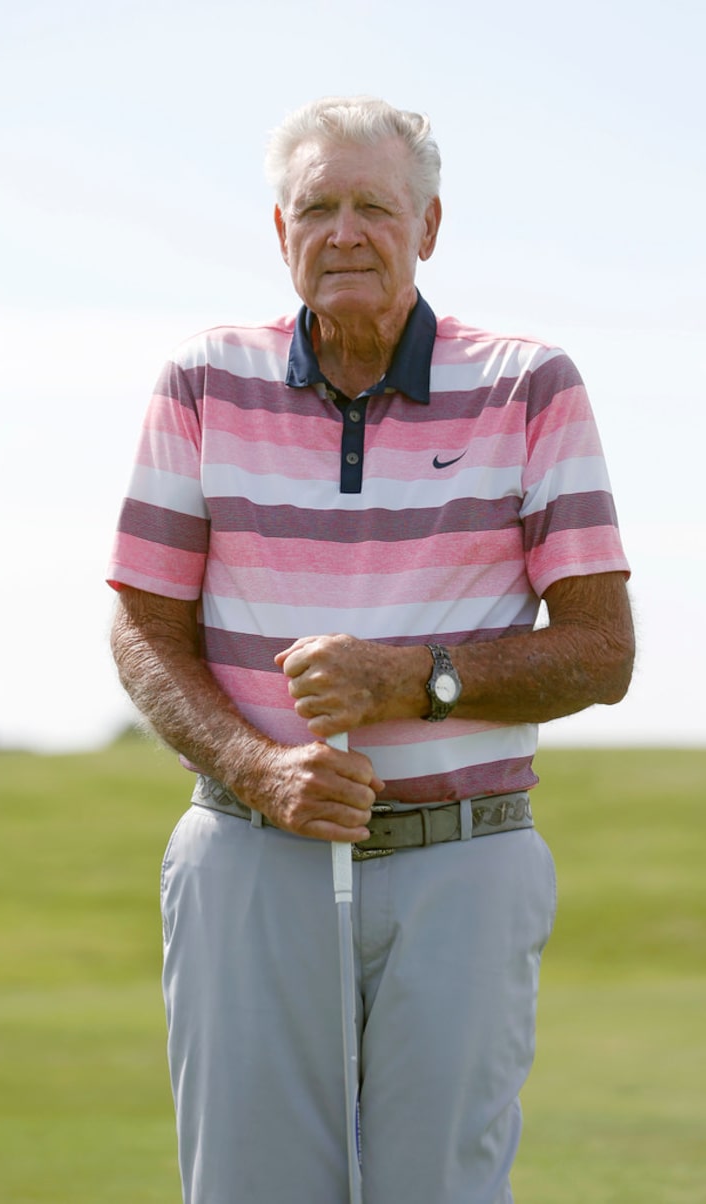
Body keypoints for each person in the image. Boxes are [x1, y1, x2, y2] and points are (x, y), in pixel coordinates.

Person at [107, 96, 634, 1204]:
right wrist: (256, 766)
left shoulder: (527, 385)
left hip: (464, 854)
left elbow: (598, 651)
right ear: (280, 231)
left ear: (426, 226)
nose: (343, 231)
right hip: (247, 846)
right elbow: (141, 624)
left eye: (373, 208)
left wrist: (410, 677)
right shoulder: (203, 379)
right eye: (317, 207)